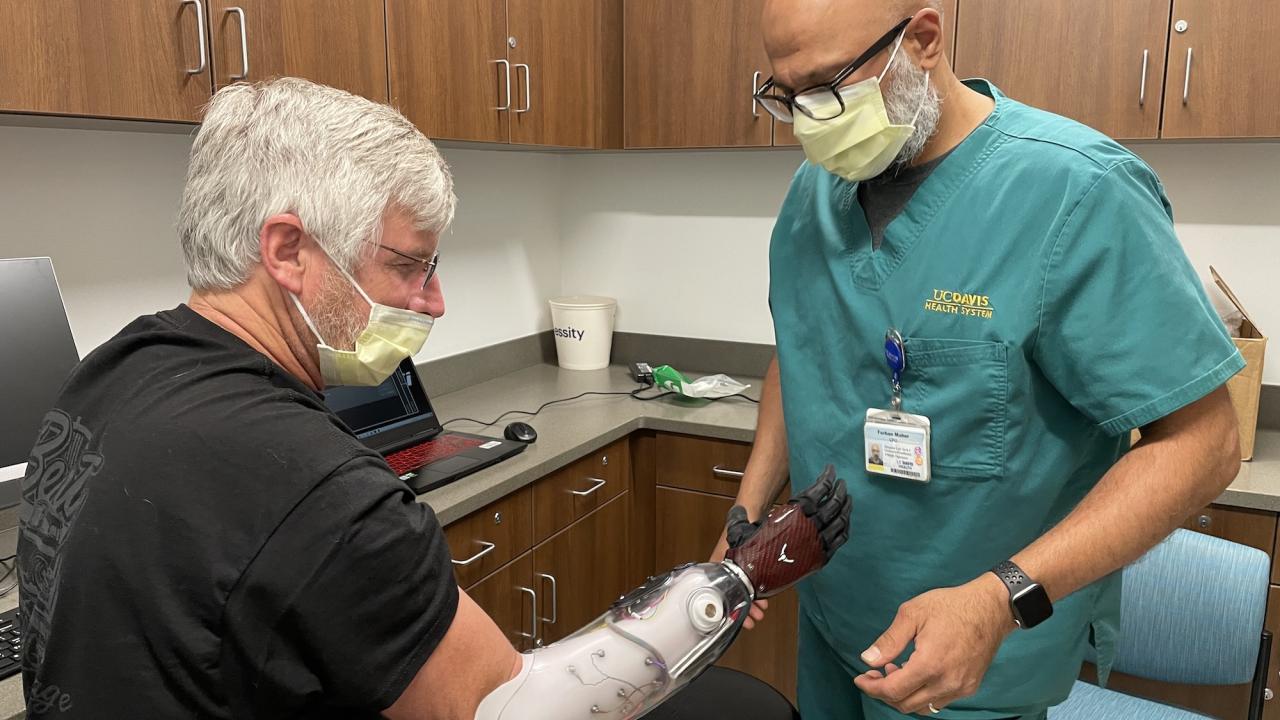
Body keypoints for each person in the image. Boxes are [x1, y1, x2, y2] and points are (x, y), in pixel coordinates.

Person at [17, 77, 851, 720]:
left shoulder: (111, 373)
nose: (434, 300)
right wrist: (731, 583)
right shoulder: (317, 493)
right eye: (410, 265)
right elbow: (520, 710)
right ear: (287, 250)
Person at [711, 1, 1245, 719]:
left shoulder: (1077, 193)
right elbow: (801, 349)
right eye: (788, 95)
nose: (811, 120)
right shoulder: (816, 190)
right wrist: (743, 517)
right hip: (831, 619)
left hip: (970, 661)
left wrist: (1001, 598)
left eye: (829, 87)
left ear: (923, 41)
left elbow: (1206, 444)